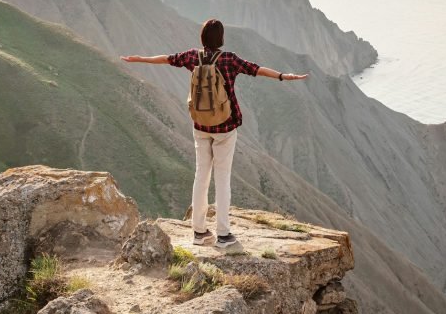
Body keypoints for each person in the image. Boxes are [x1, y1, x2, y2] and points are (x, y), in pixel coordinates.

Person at [121, 18, 308, 248]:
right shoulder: (229, 59)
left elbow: (166, 59)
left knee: (201, 176)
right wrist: (283, 76)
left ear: (202, 38)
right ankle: (223, 235)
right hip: (225, 128)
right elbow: (256, 70)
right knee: (222, 179)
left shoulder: (192, 57)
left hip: (200, 125)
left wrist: (139, 59)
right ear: (221, 38)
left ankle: (199, 232)